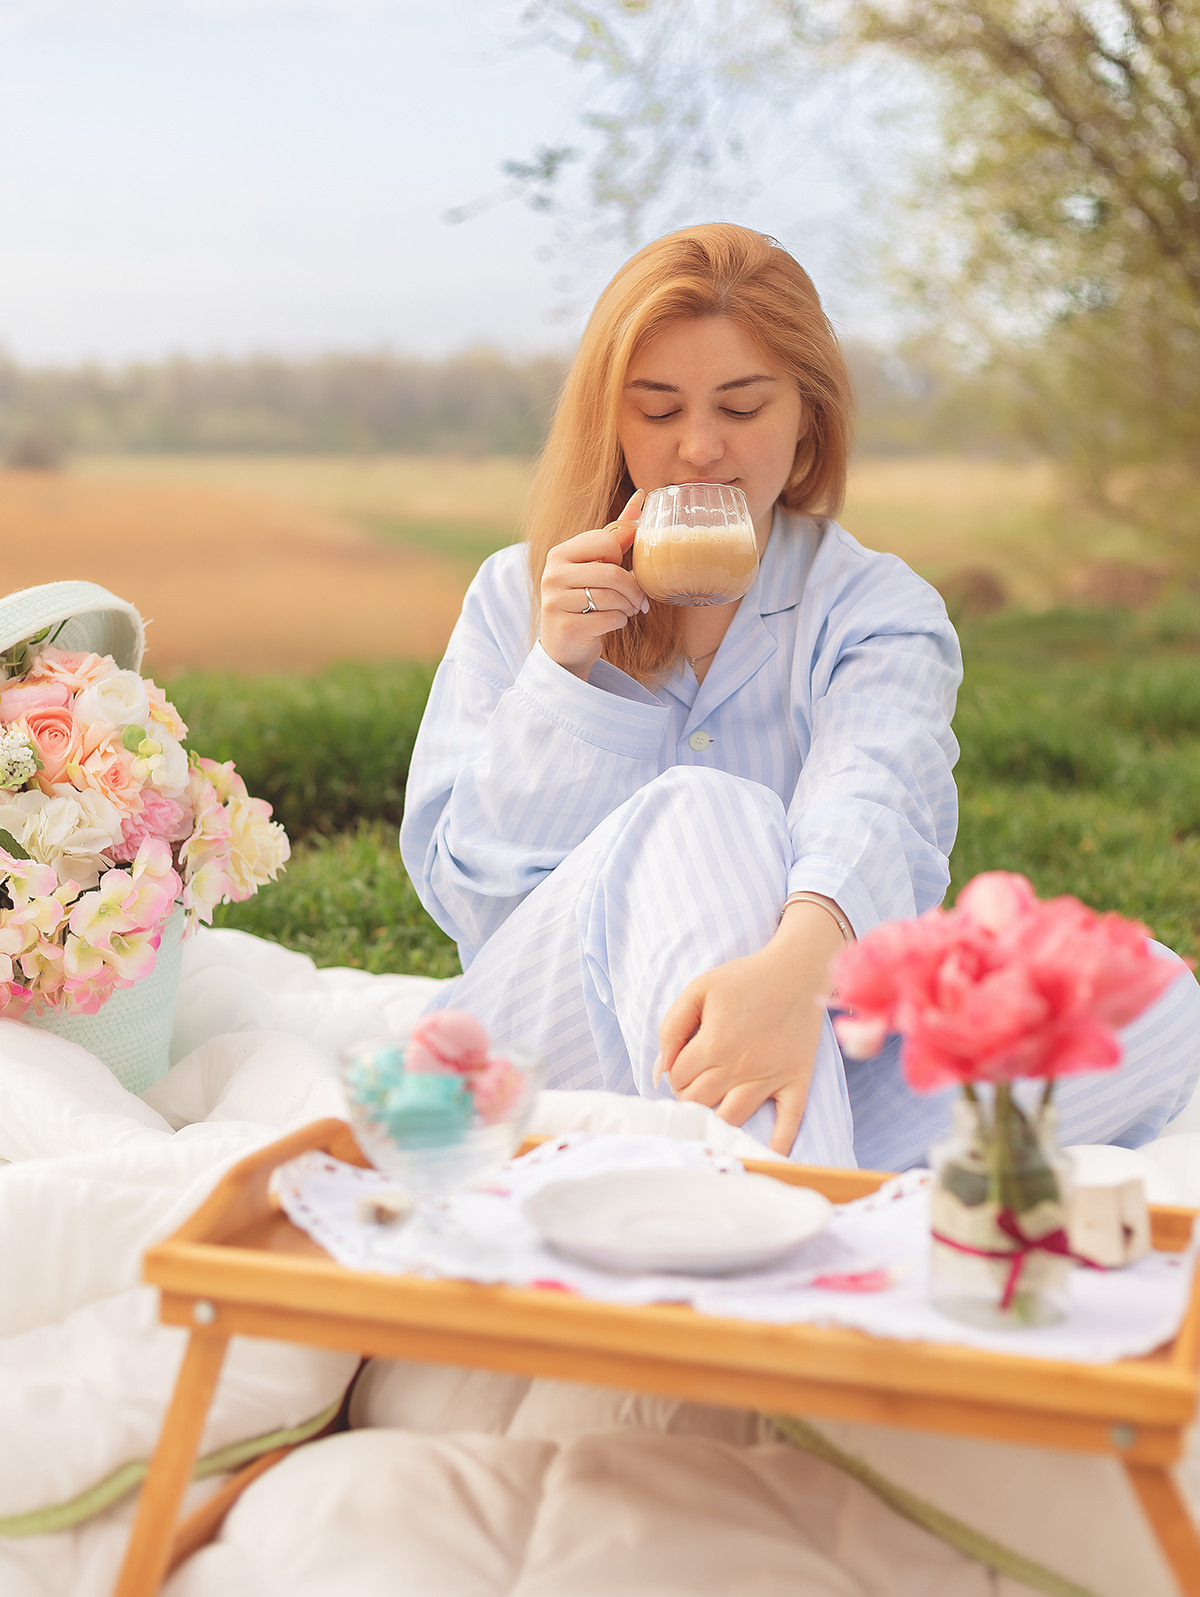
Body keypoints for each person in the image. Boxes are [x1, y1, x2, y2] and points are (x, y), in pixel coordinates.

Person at [400, 223, 1200, 1169]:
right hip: (546, 1043)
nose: (700, 448)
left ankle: (785, 1170)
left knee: (1145, 988)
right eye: (658, 412)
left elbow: (875, 802)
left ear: (808, 417)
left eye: (741, 408)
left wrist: (788, 976)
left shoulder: (875, 606)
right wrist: (562, 679)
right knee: (705, 809)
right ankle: (791, 1217)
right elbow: (476, 908)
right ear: (610, 422)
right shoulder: (518, 594)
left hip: (808, 1023)